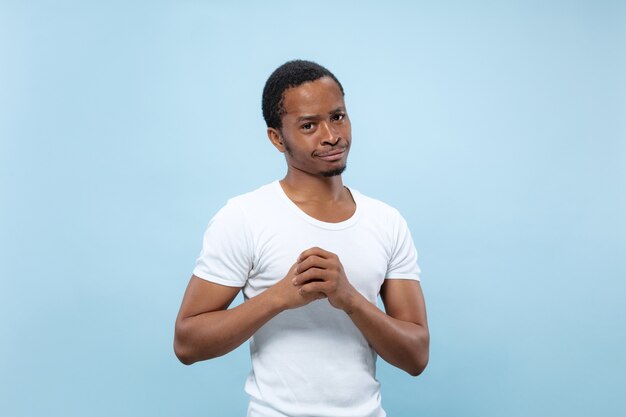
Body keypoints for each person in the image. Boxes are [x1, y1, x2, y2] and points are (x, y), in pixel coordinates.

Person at [174, 60, 429, 417]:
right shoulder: (243, 217)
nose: (331, 135)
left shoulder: (387, 221)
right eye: (309, 125)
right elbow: (187, 343)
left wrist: (350, 299)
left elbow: (416, 356)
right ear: (277, 138)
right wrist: (279, 296)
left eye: (338, 116)